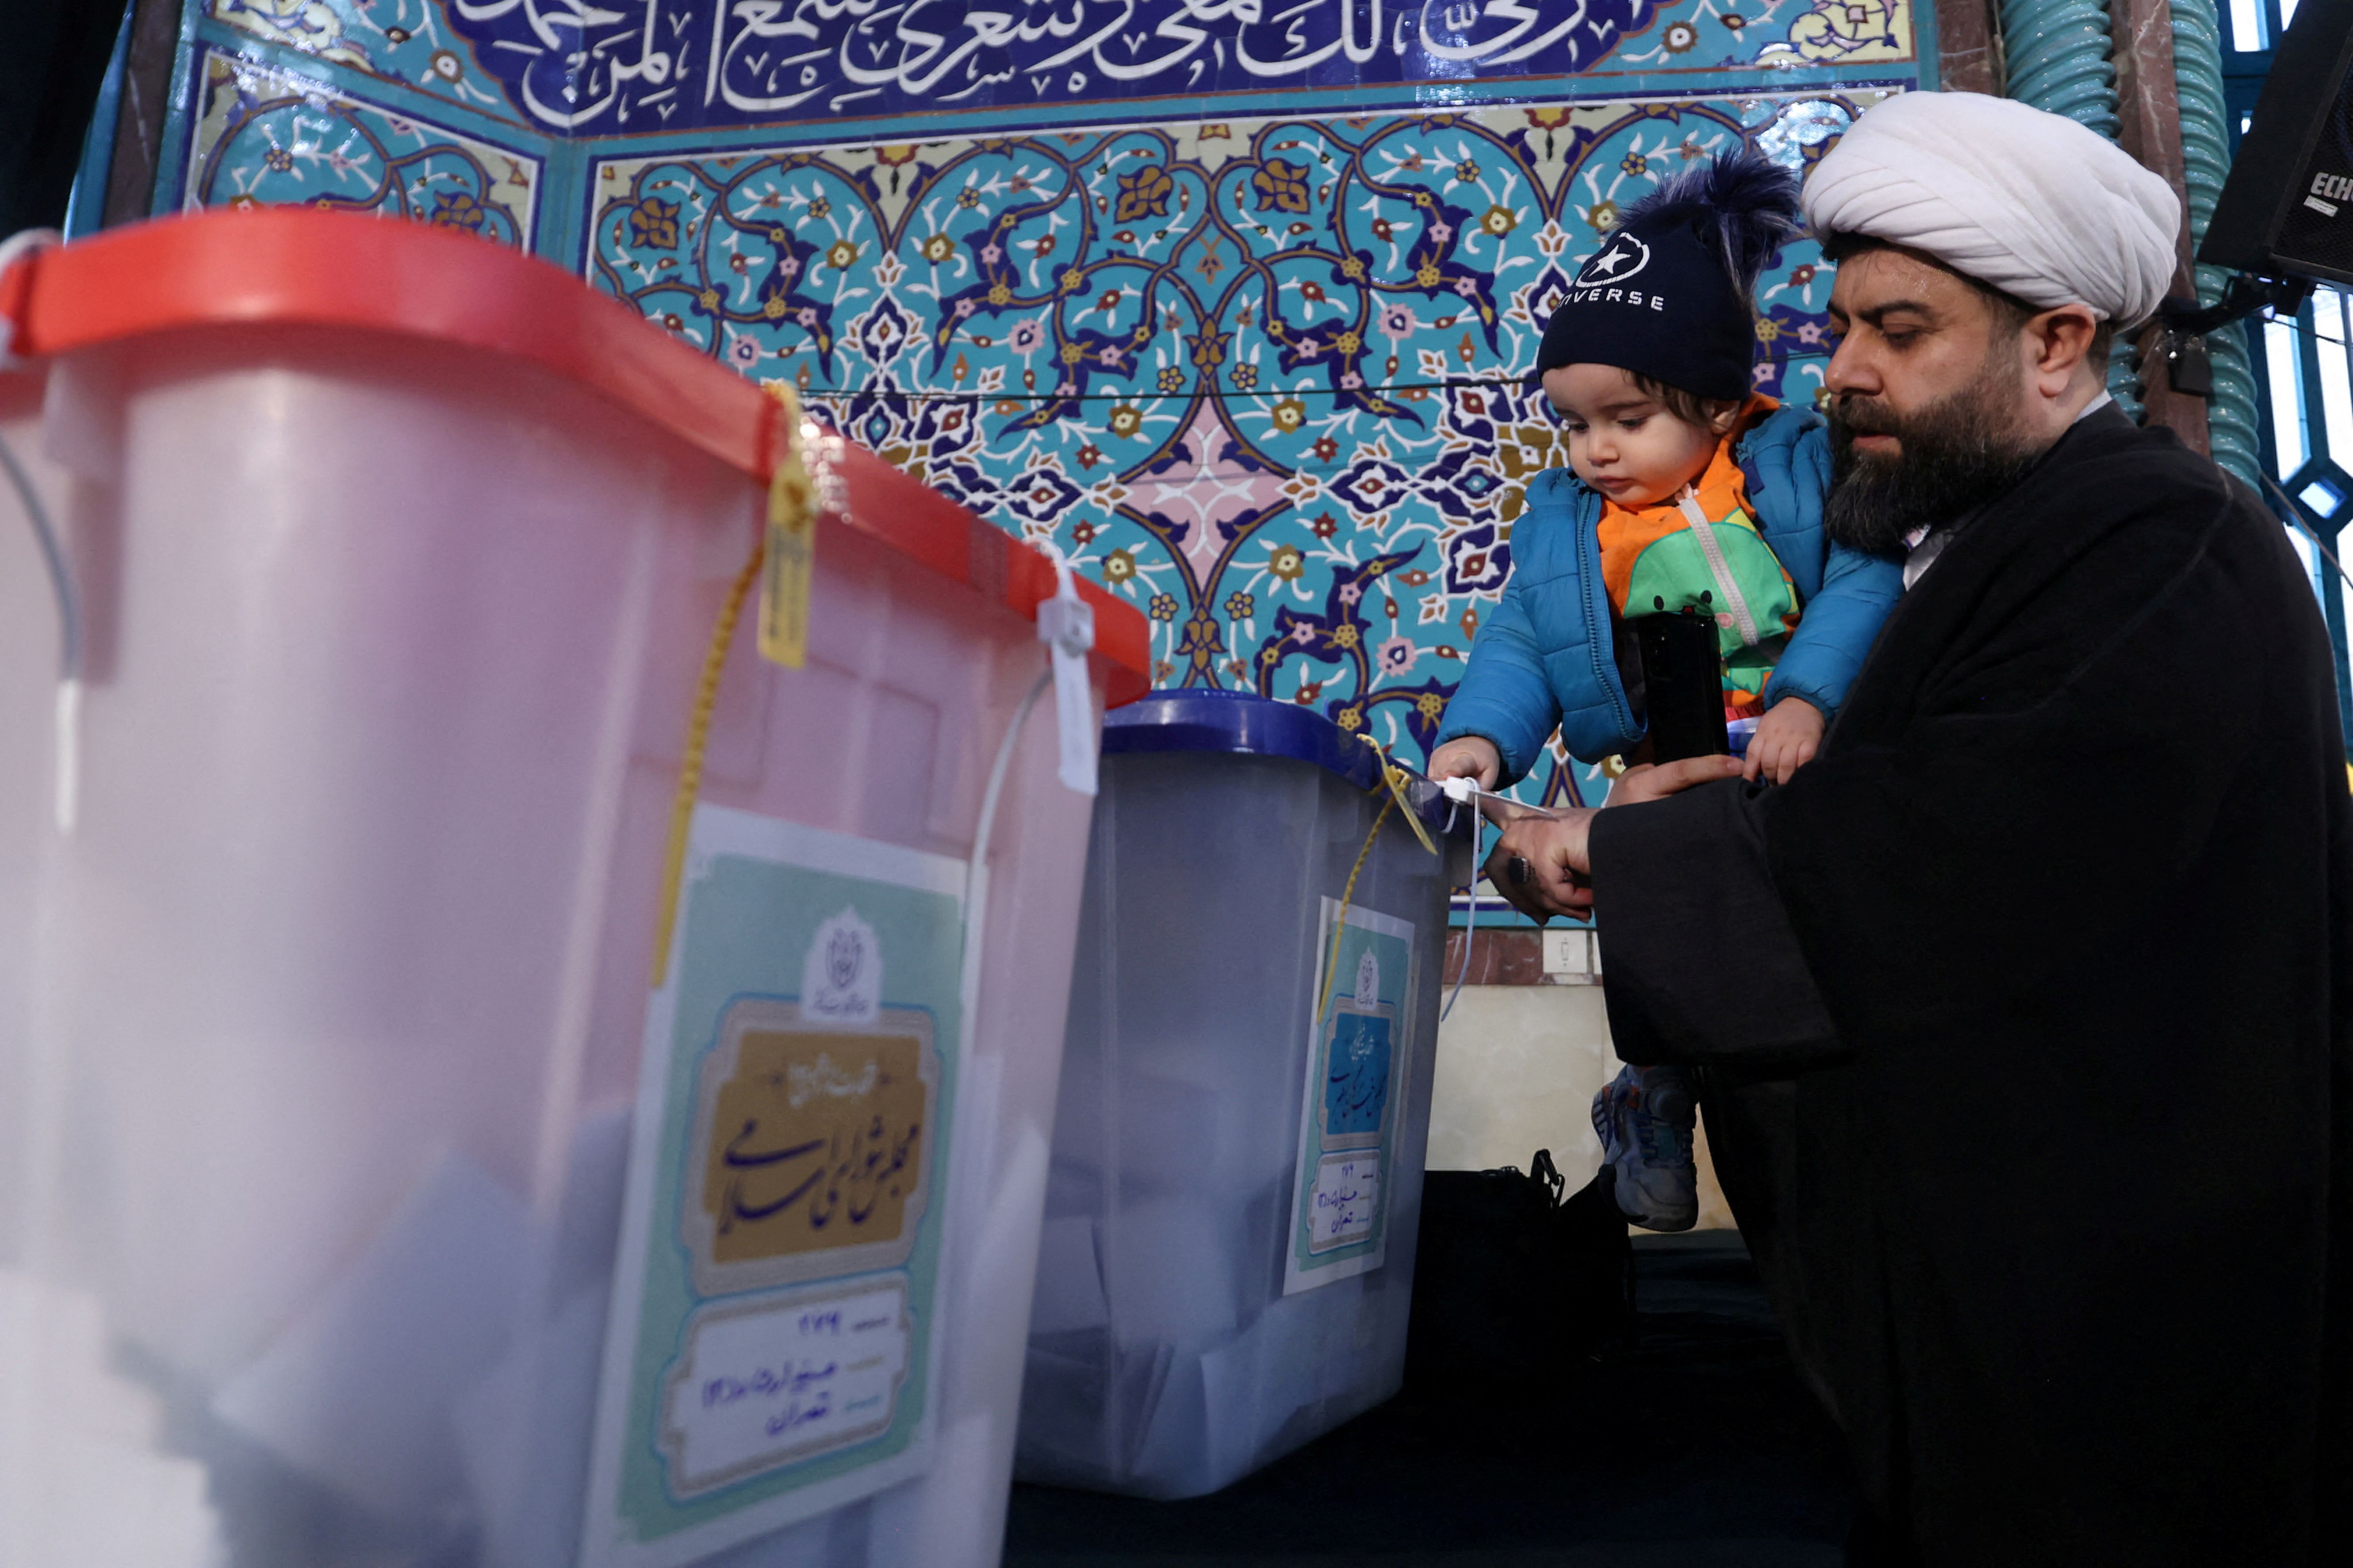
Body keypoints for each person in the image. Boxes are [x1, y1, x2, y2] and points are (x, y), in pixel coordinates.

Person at [1481, 90, 2353, 1563]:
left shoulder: (2155, 539)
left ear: (2058, 342)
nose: (1847, 377)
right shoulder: (2006, 544)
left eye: (1902, 332)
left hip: (2125, 1377)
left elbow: (1954, 860)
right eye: (1839, 334)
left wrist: (1607, 853)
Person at [1425, 149, 1902, 1230]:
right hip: (1668, 770)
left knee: (1797, 953)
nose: (1594, 449)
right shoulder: (1569, 520)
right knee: (1653, 924)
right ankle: (1650, 1092)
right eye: (1574, 423)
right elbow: (1519, 639)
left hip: (1793, 754)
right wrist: (1478, 742)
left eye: (1626, 418)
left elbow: (1864, 575)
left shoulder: (1791, 464)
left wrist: (1807, 701)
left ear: (1721, 401)